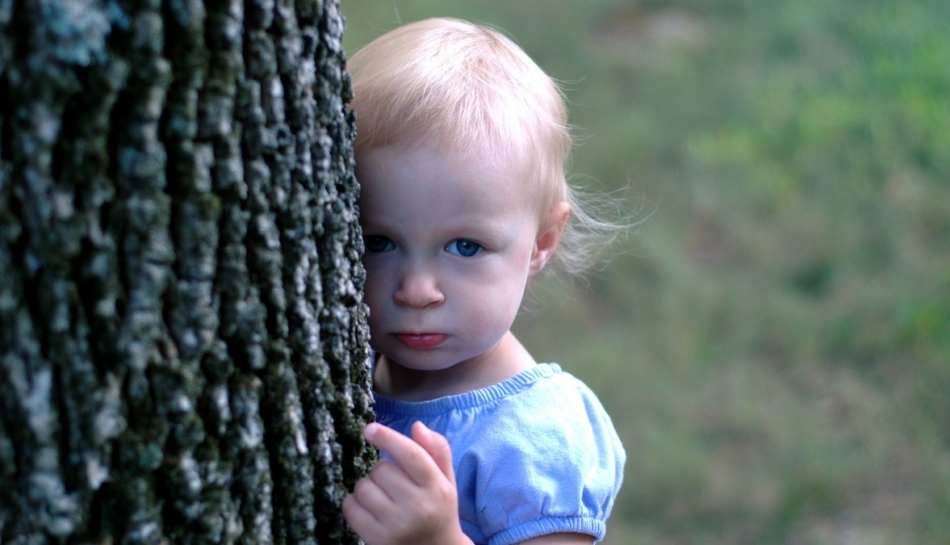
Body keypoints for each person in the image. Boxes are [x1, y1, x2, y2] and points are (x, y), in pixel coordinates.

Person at [341, 17, 626, 545]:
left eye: (465, 247)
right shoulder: (356, 376)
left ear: (542, 241)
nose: (417, 290)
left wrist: (437, 540)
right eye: (378, 241)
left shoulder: (537, 438)